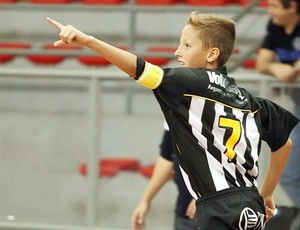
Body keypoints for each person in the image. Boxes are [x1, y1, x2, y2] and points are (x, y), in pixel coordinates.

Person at [47, 11, 299, 229]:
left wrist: (87, 40)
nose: (178, 51)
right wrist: (266, 193)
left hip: (220, 207)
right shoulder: (250, 101)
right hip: (250, 203)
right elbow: (284, 144)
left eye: (187, 46)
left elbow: (139, 68)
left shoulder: (186, 84)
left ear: (212, 54)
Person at [255, 0, 300, 210]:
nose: (269, 10)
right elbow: (261, 63)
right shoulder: (275, 26)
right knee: (289, 175)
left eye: (274, 6)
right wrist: (276, 67)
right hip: (298, 106)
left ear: (291, 6)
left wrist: (294, 68)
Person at [131, 121, 197, 230]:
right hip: (185, 211)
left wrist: (203, 196)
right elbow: (166, 157)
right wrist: (145, 200)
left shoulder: (214, 109)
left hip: (215, 210)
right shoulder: (173, 110)